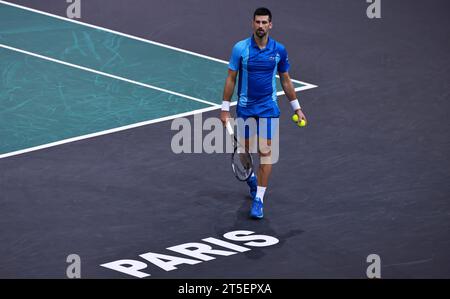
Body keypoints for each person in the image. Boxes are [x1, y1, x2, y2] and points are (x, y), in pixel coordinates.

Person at [220, 7, 307, 219]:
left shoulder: (279, 50)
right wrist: (224, 109)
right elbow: (231, 79)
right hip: (245, 107)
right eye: (257, 22)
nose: (260, 26)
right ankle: (250, 179)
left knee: (266, 151)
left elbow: (285, 80)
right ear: (253, 24)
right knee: (245, 151)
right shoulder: (240, 49)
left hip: (268, 107)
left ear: (270, 25)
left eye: (264, 22)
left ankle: (259, 199)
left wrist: (297, 108)